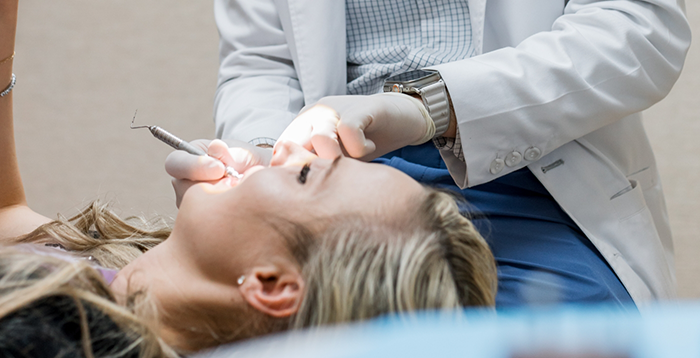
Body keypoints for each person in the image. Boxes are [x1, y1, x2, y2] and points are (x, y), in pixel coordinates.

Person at [0, 1, 497, 355]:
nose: (284, 150)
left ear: (272, 283)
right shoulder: (111, 268)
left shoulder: (51, 338)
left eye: (305, 175)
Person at [183, 0, 691, 309]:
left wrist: (431, 105)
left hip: (532, 173)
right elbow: (260, 64)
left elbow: (638, 29)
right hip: (338, 172)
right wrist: (267, 158)